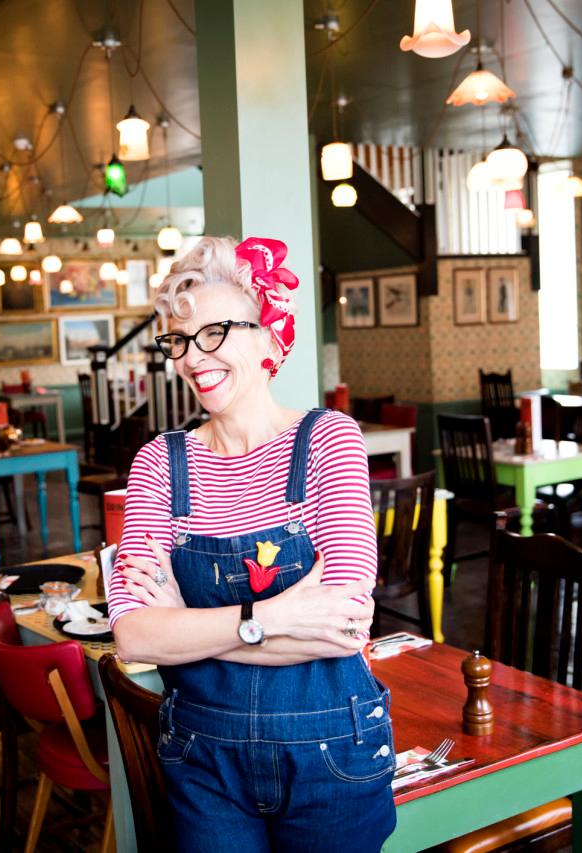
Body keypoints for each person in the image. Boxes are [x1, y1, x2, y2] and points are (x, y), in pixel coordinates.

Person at [108, 236, 395, 852]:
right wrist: (274, 616)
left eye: (215, 332)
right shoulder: (158, 462)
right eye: (179, 340)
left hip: (334, 756)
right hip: (203, 761)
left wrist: (190, 627)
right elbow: (133, 636)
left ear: (270, 337)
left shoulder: (330, 440)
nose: (193, 357)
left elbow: (346, 628)